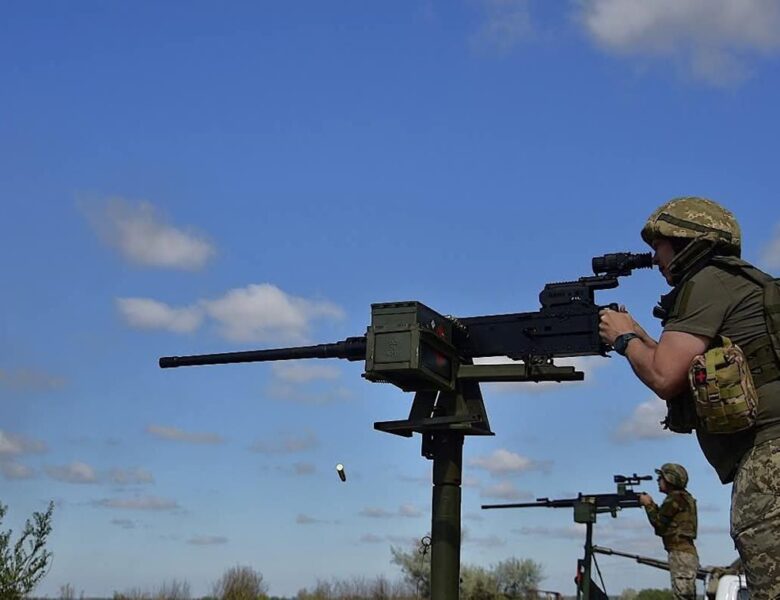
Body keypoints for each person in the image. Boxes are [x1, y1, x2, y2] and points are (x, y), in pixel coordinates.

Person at [598, 196, 780, 600]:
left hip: (770, 464)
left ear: (685, 240)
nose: (653, 257)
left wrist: (624, 338)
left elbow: (664, 375)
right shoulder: (741, 281)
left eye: (658, 244)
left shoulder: (706, 282)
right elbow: (677, 365)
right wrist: (642, 336)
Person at [638, 463, 699, 600]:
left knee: (683, 596)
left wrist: (648, 505)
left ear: (670, 479)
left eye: (661, 478)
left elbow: (659, 523)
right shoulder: (682, 497)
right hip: (683, 555)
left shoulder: (675, 498)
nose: (658, 481)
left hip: (681, 555)